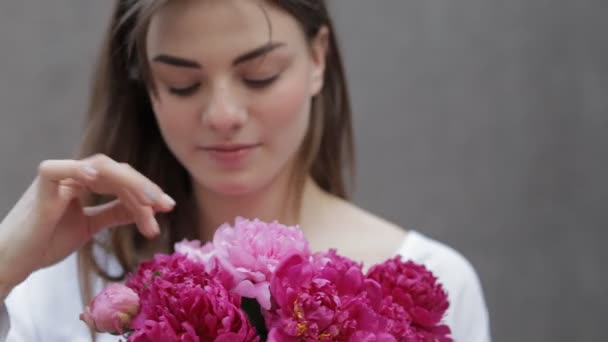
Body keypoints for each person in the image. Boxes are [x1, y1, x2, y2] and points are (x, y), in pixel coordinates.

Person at [0, 1, 491, 341]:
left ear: (317, 59)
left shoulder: (433, 286)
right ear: (146, 85)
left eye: (260, 76)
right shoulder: (62, 279)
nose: (222, 114)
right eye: (182, 83)